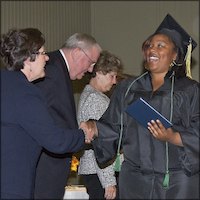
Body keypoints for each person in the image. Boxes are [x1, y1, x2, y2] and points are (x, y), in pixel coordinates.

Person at [80, 14, 199, 199]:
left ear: (175, 55)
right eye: (149, 45)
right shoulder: (127, 88)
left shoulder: (190, 90)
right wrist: (94, 127)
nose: (152, 49)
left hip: (175, 181)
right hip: (135, 181)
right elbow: (113, 126)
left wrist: (173, 136)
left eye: (161, 45)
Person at [0, 28, 90, 199]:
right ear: (29, 58)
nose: (47, 57)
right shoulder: (25, 93)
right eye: (42, 53)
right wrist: (82, 135)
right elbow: (55, 141)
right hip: (12, 188)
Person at [34, 33, 102, 199]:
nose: (91, 69)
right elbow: (43, 123)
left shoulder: (57, 69)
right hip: (43, 171)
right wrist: (80, 135)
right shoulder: (49, 71)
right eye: (91, 62)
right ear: (78, 52)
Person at [77, 50, 123, 199]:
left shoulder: (90, 95)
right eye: (112, 76)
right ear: (99, 72)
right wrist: (109, 182)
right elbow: (103, 143)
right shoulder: (96, 100)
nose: (114, 81)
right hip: (100, 174)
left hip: (95, 172)